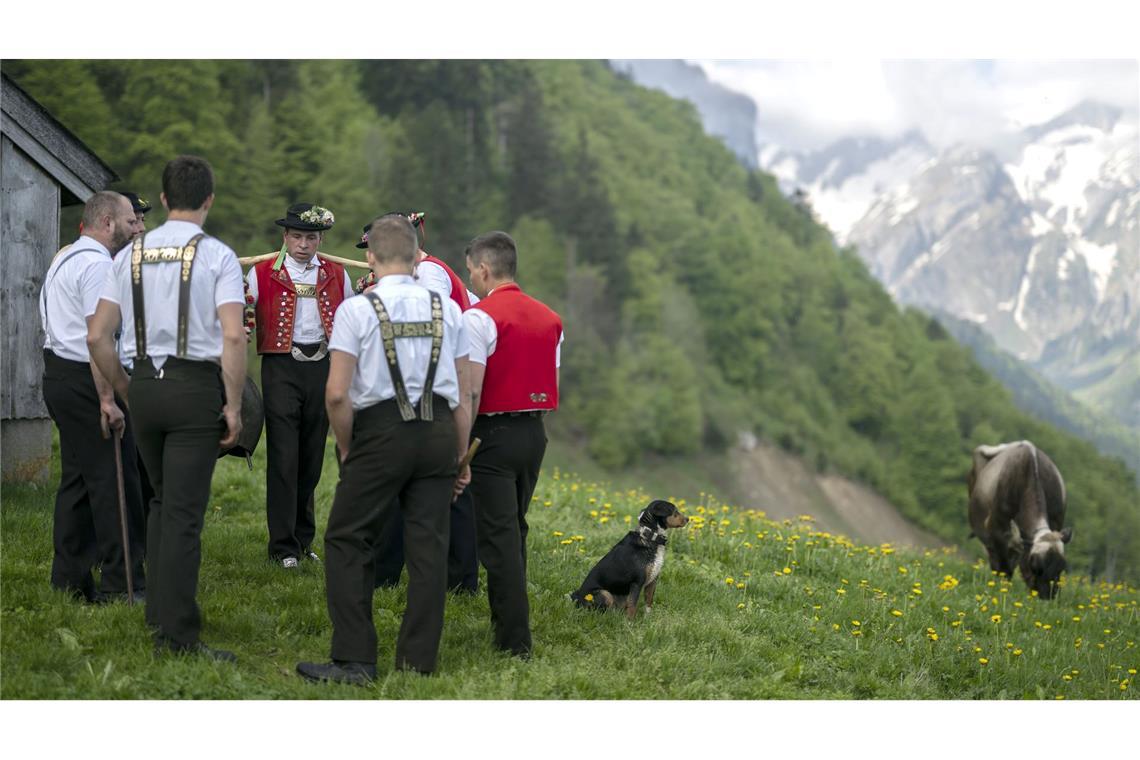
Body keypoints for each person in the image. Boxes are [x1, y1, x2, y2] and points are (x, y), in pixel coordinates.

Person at [296, 213, 472, 684]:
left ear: (370, 258)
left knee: (347, 536)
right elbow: (463, 391)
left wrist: (350, 449)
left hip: (380, 429)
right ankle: (418, 662)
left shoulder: (358, 309)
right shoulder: (448, 309)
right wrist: (460, 457)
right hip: (437, 430)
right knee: (429, 546)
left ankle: (354, 658)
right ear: (417, 257)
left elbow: (336, 393)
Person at [88, 155, 246, 661]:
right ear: (209, 201)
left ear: (161, 200)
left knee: (160, 503)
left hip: (145, 389)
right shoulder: (217, 256)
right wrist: (236, 406)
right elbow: (232, 335)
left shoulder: (126, 256)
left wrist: (125, 388)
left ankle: (159, 612)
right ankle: (178, 637)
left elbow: (96, 335)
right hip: (193, 387)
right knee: (182, 514)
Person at [360, 212, 480, 594]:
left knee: (440, 494)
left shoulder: (429, 276)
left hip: (427, 392)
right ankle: (418, 576)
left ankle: (452, 577)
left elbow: (425, 340)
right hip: (439, 393)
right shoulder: (424, 276)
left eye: (372, 251)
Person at [39, 191, 147, 604]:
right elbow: (95, 338)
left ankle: (69, 579)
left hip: (59, 375)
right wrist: (108, 400)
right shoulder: (100, 266)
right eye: (130, 221)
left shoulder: (64, 258)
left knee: (79, 482)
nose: (136, 227)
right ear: (107, 223)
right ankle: (123, 583)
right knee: (116, 480)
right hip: (88, 380)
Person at [462, 231, 562, 658]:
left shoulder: (479, 317)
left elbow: (470, 391)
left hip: (491, 434)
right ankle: (509, 620)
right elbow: (549, 379)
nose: (472, 279)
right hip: (534, 433)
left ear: (484, 269)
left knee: (499, 539)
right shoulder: (551, 318)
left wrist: (459, 448)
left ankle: (514, 642)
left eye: (471, 272)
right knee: (515, 528)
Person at [246, 203, 353, 568]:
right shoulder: (260, 273)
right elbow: (242, 316)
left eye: (310, 238)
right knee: (283, 457)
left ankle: (303, 540)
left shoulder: (338, 274)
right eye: (297, 237)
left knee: (310, 457)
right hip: (280, 367)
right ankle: (282, 547)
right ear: (285, 237)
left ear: (320, 239)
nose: (303, 245)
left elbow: (352, 322)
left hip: (323, 366)